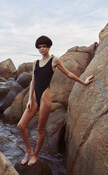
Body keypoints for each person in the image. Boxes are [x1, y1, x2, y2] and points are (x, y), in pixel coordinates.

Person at [17, 35, 94, 166]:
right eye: (39, 47)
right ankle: (28, 151)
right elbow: (33, 81)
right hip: (35, 98)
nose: (42, 49)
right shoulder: (36, 63)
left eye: (44, 46)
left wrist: (83, 82)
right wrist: (29, 99)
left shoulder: (54, 61)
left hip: (45, 98)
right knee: (20, 126)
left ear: (49, 47)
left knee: (40, 129)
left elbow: (68, 74)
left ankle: (36, 154)